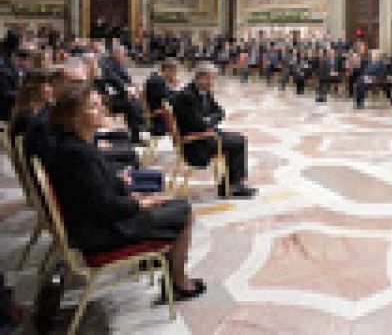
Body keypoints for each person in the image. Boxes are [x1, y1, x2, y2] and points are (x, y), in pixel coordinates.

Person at [46, 85, 205, 300]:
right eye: (94, 106)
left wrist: (133, 195)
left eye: (100, 103)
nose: (102, 108)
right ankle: (178, 282)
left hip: (99, 223)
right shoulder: (77, 154)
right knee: (184, 211)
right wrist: (143, 203)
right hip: (103, 234)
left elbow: (98, 191)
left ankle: (167, 270)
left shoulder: (76, 145)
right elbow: (105, 208)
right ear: (74, 117)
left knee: (171, 203)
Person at [172, 63, 256, 199]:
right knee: (238, 142)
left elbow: (220, 112)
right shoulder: (187, 96)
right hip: (196, 143)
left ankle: (230, 184)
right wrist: (208, 121)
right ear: (201, 78)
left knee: (238, 138)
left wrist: (208, 119)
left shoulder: (203, 92)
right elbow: (199, 124)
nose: (213, 82)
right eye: (211, 79)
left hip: (205, 135)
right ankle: (232, 186)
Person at [145, 59, 180, 137]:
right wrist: (176, 87)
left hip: (160, 110)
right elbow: (170, 98)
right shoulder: (157, 81)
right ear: (168, 70)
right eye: (174, 72)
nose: (175, 75)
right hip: (159, 116)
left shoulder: (156, 77)